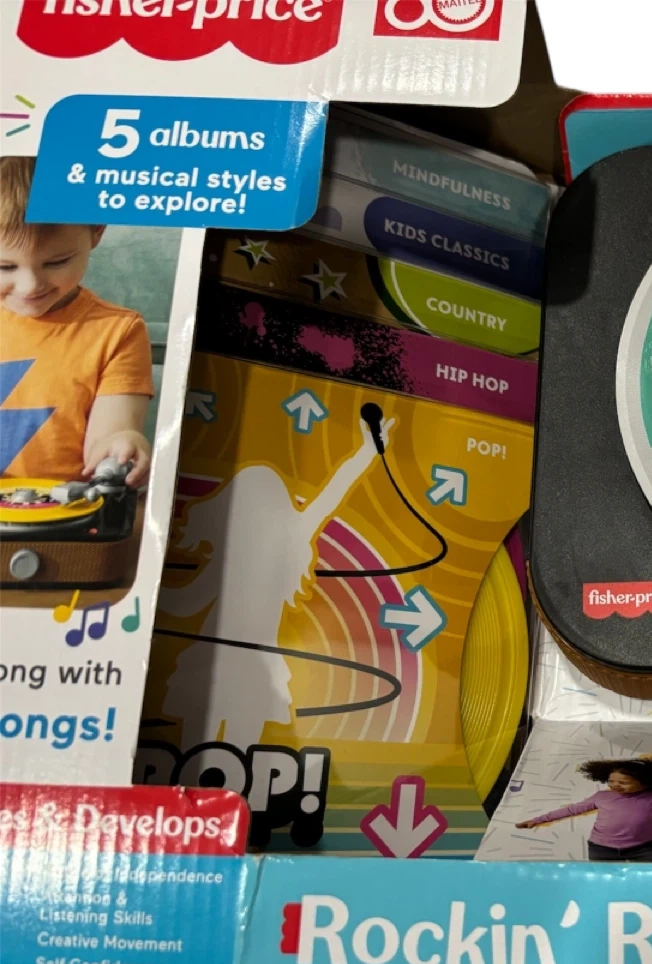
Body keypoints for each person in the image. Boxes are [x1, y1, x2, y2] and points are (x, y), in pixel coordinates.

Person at [158, 414, 394, 751]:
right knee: (232, 756)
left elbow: (183, 604)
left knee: (197, 753)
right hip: (246, 670)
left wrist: (144, 596)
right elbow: (329, 496)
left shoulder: (239, 561)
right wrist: (366, 453)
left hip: (222, 667)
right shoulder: (272, 549)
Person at [0, 156, 153, 487]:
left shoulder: (117, 332)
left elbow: (108, 437)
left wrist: (121, 445)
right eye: (5, 267)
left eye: (56, 262)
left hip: (63, 513)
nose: (29, 286)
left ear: (96, 231)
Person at [516, 757, 652, 863]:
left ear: (645, 782)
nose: (615, 785)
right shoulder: (602, 796)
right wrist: (537, 820)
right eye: (611, 781)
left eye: (623, 782)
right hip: (602, 848)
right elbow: (572, 810)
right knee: (604, 883)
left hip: (644, 848)